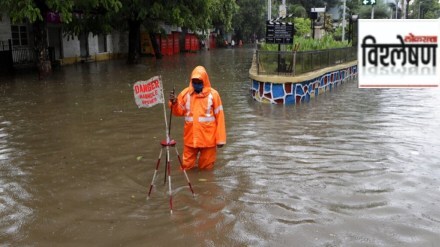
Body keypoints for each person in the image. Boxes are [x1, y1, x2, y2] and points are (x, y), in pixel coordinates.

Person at [169, 66, 226, 170]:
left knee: (207, 168)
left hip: (208, 139)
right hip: (191, 138)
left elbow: (220, 117)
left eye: (199, 82)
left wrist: (220, 140)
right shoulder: (186, 94)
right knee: (186, 167)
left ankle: (203, 184)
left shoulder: (214, 95)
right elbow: (178, 112)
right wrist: (173, 103)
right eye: (194, 82)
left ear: (204, 81)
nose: (196, 84)